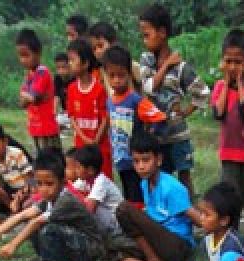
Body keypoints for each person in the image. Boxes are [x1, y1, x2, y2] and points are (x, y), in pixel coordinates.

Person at [0, 149, 103, 261]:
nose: (43, 189)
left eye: (49, 184)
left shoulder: (66, 200)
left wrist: (13, 245)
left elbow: (36, 222)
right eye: (39, 184)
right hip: (73, 243)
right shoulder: (48, 199)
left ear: (62, 183)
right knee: (35, 227)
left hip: (90, 247)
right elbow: (23, 215)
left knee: (48, 229)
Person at [137, 3, 209, 194]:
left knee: (184, 175)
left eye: (147, 34)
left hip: (178, 134)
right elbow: (149, 87)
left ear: (162, 32)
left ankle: (189, 213)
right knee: (161, 176)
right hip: (156, 134)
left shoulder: (182, 68)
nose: (144, 40)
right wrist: (167, 64)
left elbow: (202, 92)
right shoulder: (147, 61)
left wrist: (185, 112)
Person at [115, 132, 199, 261]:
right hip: (158, 242)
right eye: (136, 161)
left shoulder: (171, 187)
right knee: (115, 248)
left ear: (158, 160)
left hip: (177, 245)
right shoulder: (145, 184)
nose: (140, 166)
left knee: (124, 209)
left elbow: (197, 218)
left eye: (146, 160)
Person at [210, 28, 244, 242]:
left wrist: (240, 83)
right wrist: (226, 84)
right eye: (228, 61)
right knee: (229, 201)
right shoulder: (218, 87)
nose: (233, 67)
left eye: (238, 62)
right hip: (229, 156)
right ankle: (230, 239)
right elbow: (218, 113)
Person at [104, 45, 168, 205]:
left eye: (121, 75)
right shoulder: (110, 101)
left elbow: (160, 118)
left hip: (136, 161)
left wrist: (147, 140)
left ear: (129, 74)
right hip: (120, 159)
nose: (116, 80)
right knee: (128, 195)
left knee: (138, 198)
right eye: (112, 76)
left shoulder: (135, 100)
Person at [65, 38, 112, 177]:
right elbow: (72, 116)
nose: (69, 63)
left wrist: (96, 140)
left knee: (102, 178)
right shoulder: (71, 89)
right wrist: (84, 138)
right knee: (84, 180)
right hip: (81, 144)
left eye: (73, 60)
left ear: (85, 63)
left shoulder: (99, 89)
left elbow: (105, 117)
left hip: (100, 146)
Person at [15, 29, 61, 154]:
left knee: (51, 161)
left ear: (38, 53)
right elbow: (23, 103)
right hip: (35, 128)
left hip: (47, 129)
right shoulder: (29, 74)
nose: (23, 60)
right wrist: (26, 96)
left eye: (26, 55)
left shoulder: (42, 72)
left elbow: (33, 97)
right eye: (20, 56)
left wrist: (25, 95)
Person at [73, 144, 122, 235]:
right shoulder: (85, 179)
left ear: (90, 170)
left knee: (88, 206)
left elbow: (90, 209)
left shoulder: (101, 181)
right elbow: (71, 190)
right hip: (106, 217)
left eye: (78, 167)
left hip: (116, 221)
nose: (76, 170)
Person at [52, 52, 73, 130]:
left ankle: (68, 126)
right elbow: (56, 97)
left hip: (77, 112)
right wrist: (54, 113)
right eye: (58, 68)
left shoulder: (75, 78)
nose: (61, 71)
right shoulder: (57, 78)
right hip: (65, 113)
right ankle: (67, 126)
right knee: (56, 120)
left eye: (63, 67)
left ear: (69, 65)